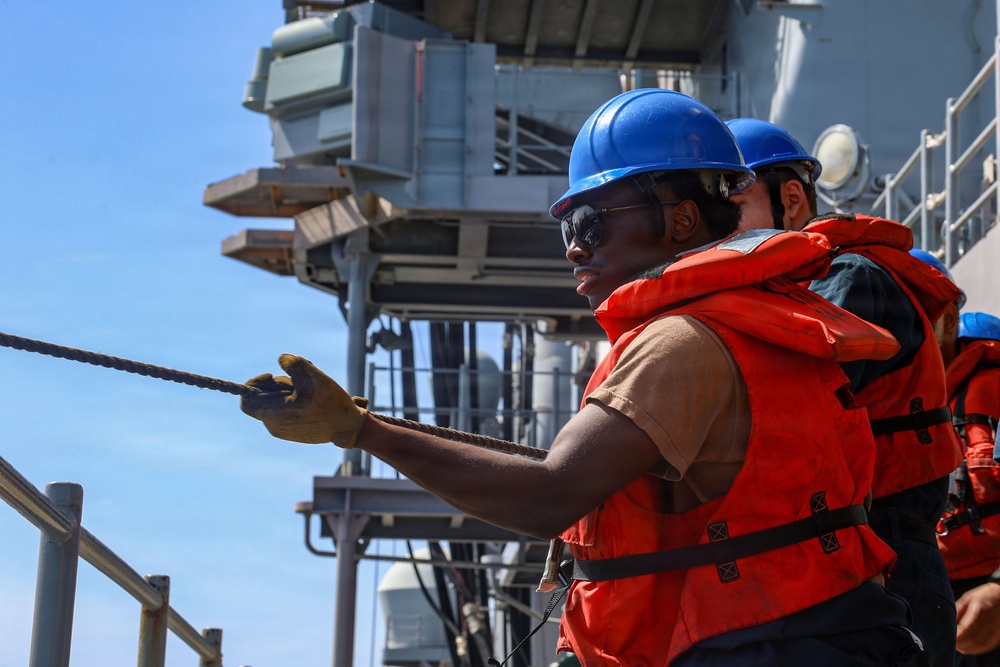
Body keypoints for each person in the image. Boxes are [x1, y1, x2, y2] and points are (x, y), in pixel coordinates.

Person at [242, 90, 923, 665]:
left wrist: (360, 430)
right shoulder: (756, 320)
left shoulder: (681, 342)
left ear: (682, 218)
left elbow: (550, 495)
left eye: (593, 221)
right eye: (568, 224)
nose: (574, 246)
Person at [729, 118, 966, 667]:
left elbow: (782, 406)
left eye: (729, 205)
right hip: (860, 555)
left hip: (887, 561)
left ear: (790, 199)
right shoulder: (810, 286)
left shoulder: (849, 278)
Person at [919, 263, 1000, 664]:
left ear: (948, 319)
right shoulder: (885, 407)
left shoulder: (994, 390)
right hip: (929, 603)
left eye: (909, 318)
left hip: (988, 602)